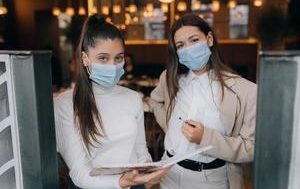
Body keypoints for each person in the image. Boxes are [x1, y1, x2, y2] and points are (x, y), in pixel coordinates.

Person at [54, 14, 168, 189]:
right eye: (103, 58)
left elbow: (140, 150)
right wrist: (121, 182)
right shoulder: (66, 103)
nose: (112, 66)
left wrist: (146, 168)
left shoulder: (132, 98)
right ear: (85, 58)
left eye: (118, 58)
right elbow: (79, 173)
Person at [150, 13, 257, 189]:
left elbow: (251, 148)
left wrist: (206, 137)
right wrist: (170, 126)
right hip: (168, 173)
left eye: (194, 40)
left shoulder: (244, 91)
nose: (188, 48)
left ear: (209, 39)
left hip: (210, 180)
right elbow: (155, 102)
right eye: (180, 45)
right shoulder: (170, 79)